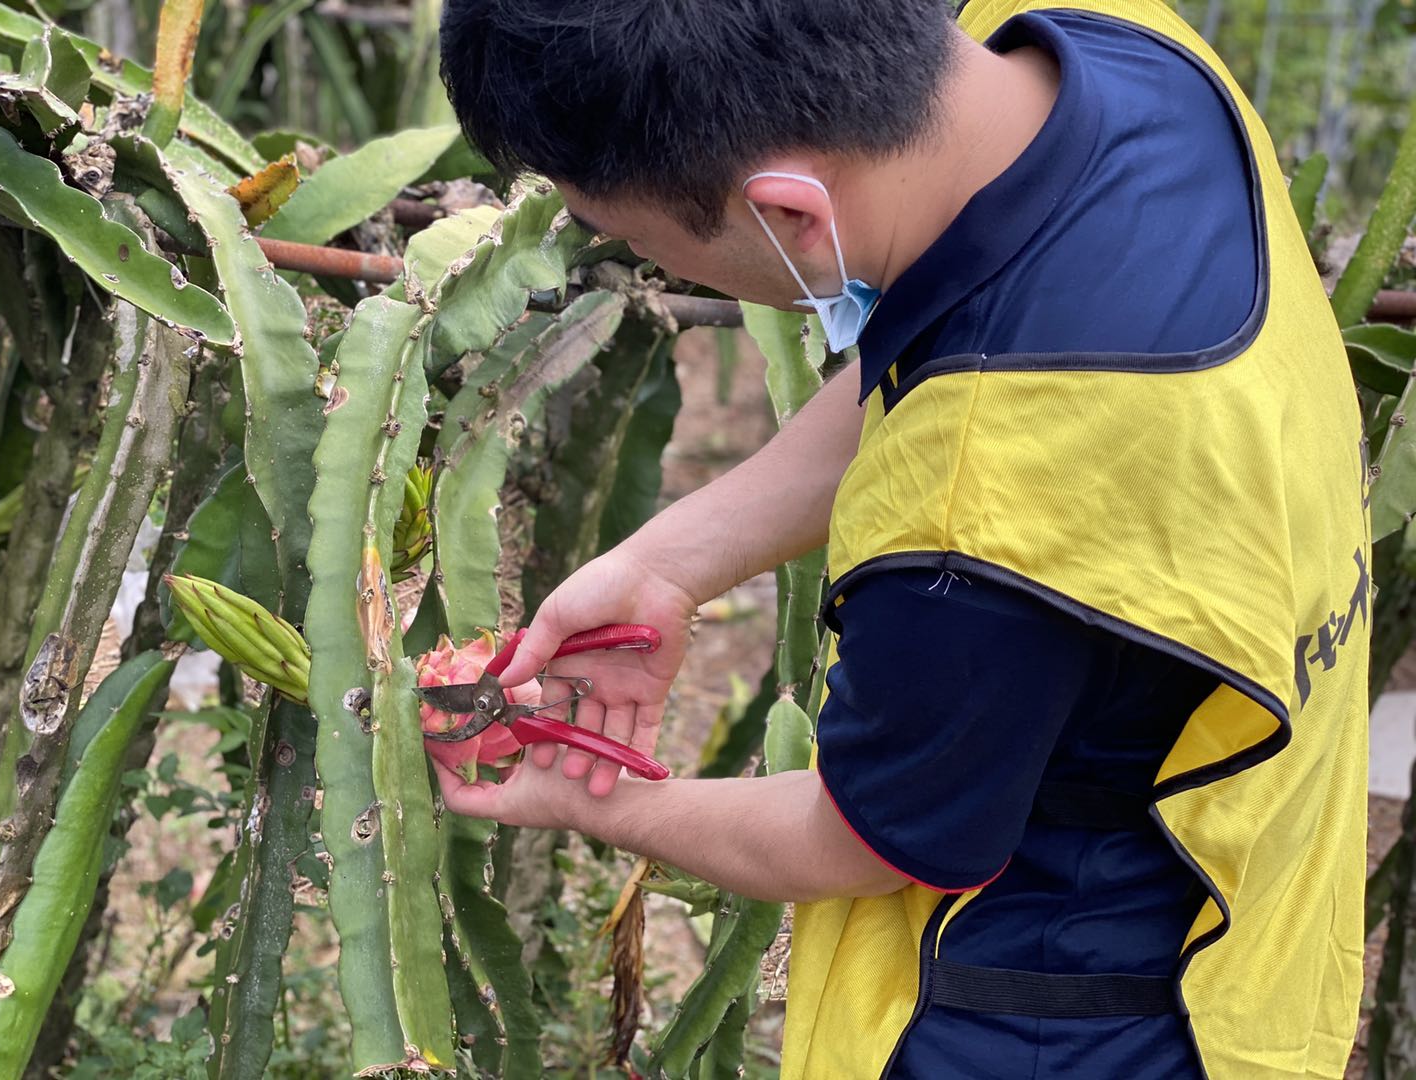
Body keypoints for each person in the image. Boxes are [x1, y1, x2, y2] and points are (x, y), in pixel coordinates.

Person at [432, 0, 1371, 1076]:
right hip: (1254, 874)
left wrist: (590, 797)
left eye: (644, 241)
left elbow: (858, 837)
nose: (658, 266)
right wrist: (669, 560)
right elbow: (956, 339)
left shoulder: (981, 513)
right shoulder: (1109, 41)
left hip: (1053, 1020)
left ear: (791, 216)